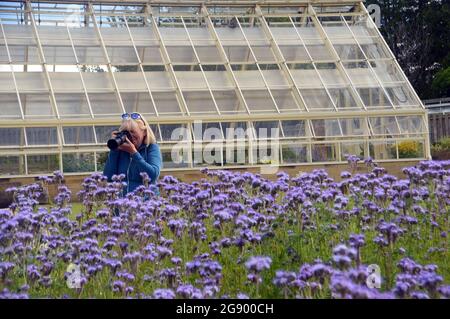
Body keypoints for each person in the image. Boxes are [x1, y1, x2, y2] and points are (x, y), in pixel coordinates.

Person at [103, 112, 162, 196]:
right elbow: (108, 176)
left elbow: (152, 175)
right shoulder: (121, 150)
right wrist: (114, 150)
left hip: (146, 204)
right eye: (125, 132)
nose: (129, 136)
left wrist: (134, 153)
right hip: (122, 204)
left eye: (132, 132)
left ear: (144, 132)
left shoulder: (151, 148)